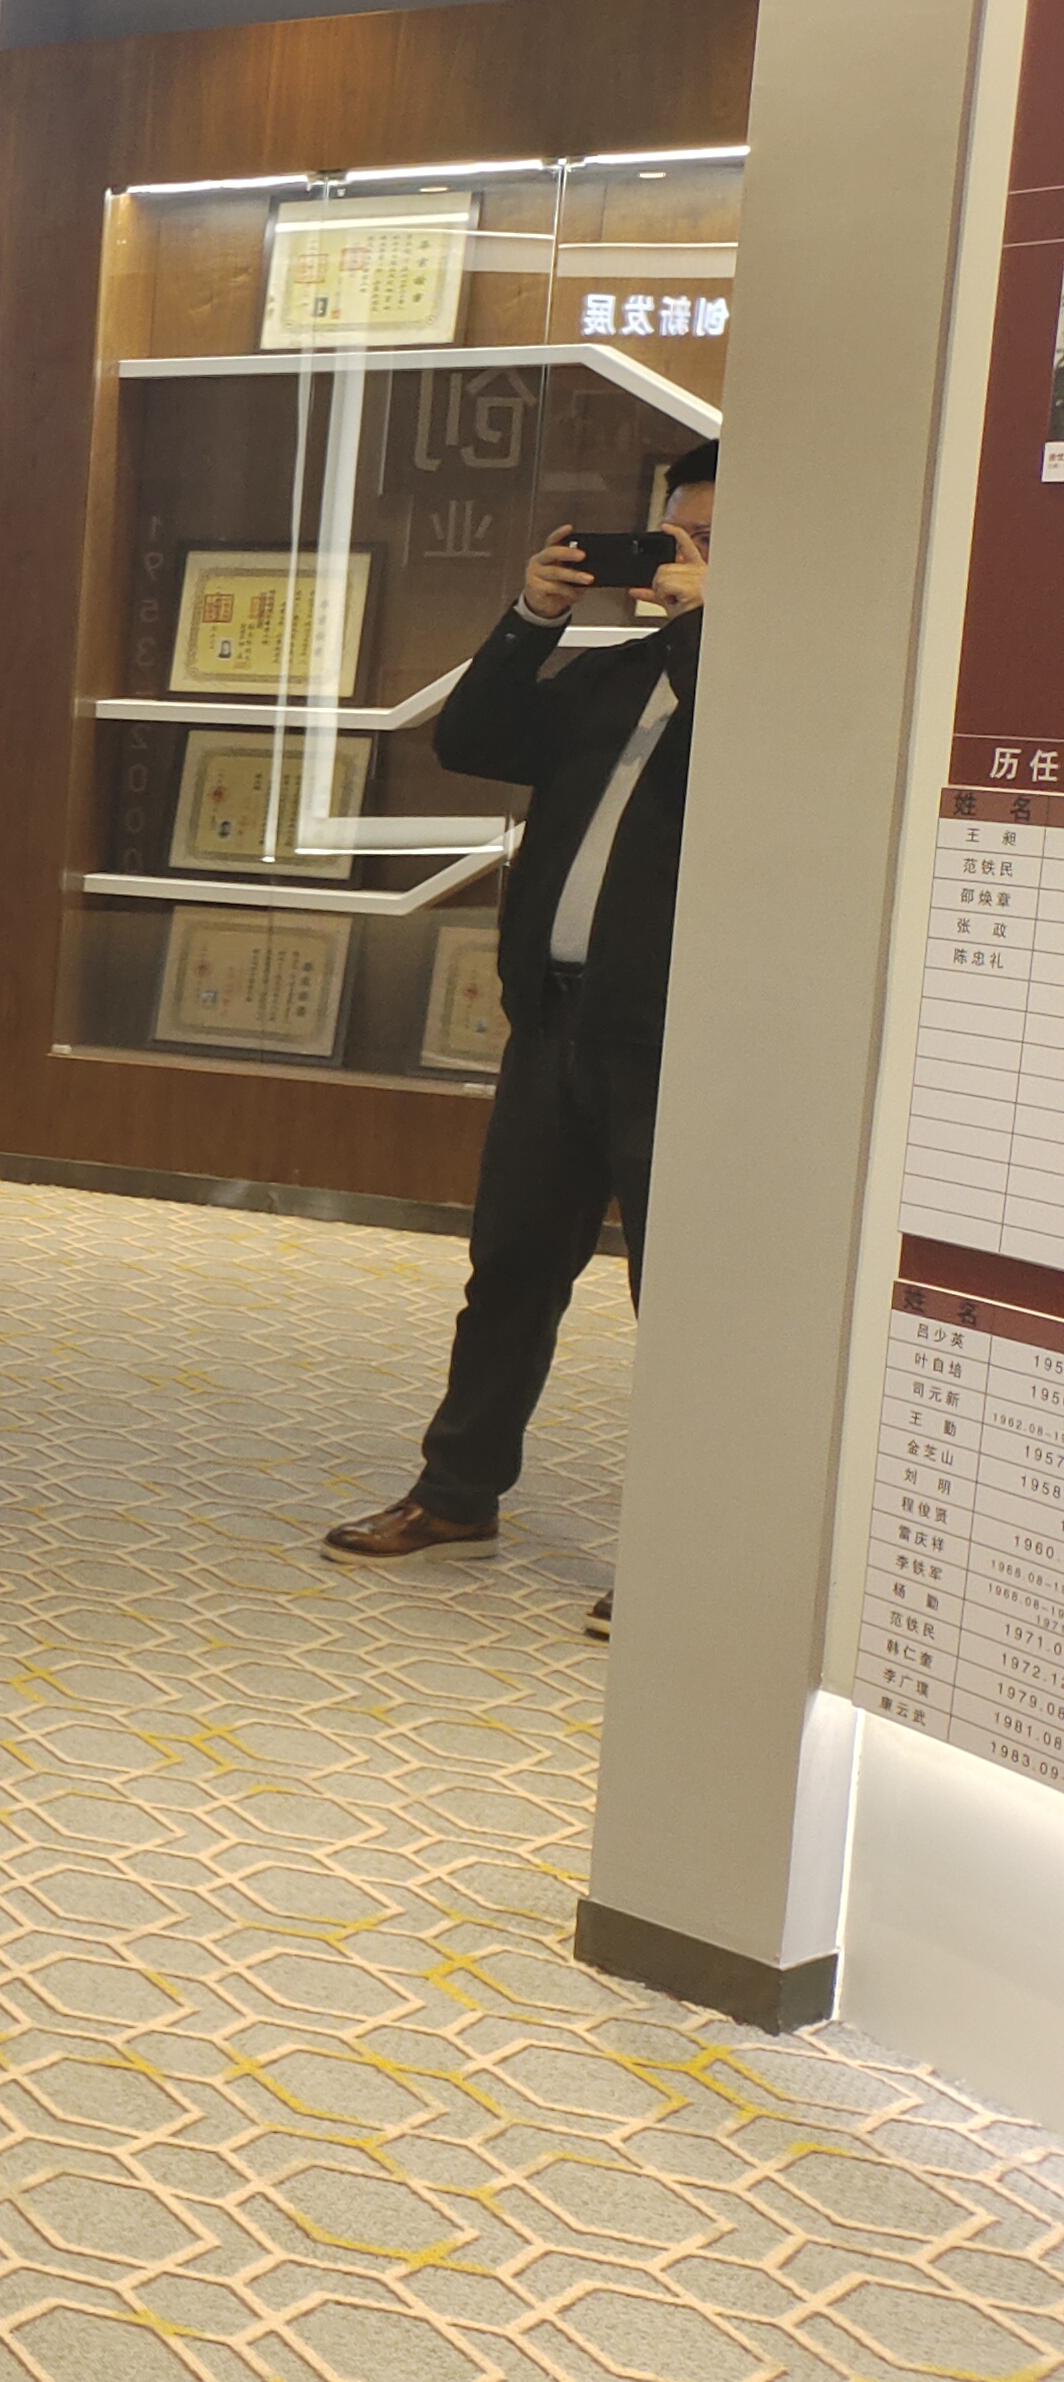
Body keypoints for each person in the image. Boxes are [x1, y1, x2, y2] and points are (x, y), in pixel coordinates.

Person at [325, 441, 716, 1638]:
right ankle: (456, 1494)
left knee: (685, 1301)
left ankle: (684, 1553)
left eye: (709, 544)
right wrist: (533, 617)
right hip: (555, 1022)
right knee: (510, 1270)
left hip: (686, 1040)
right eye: (676, 536)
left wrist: (714, 628)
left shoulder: (793, 689)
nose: (679, 561)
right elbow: (476, 741)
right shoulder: (619, 672)